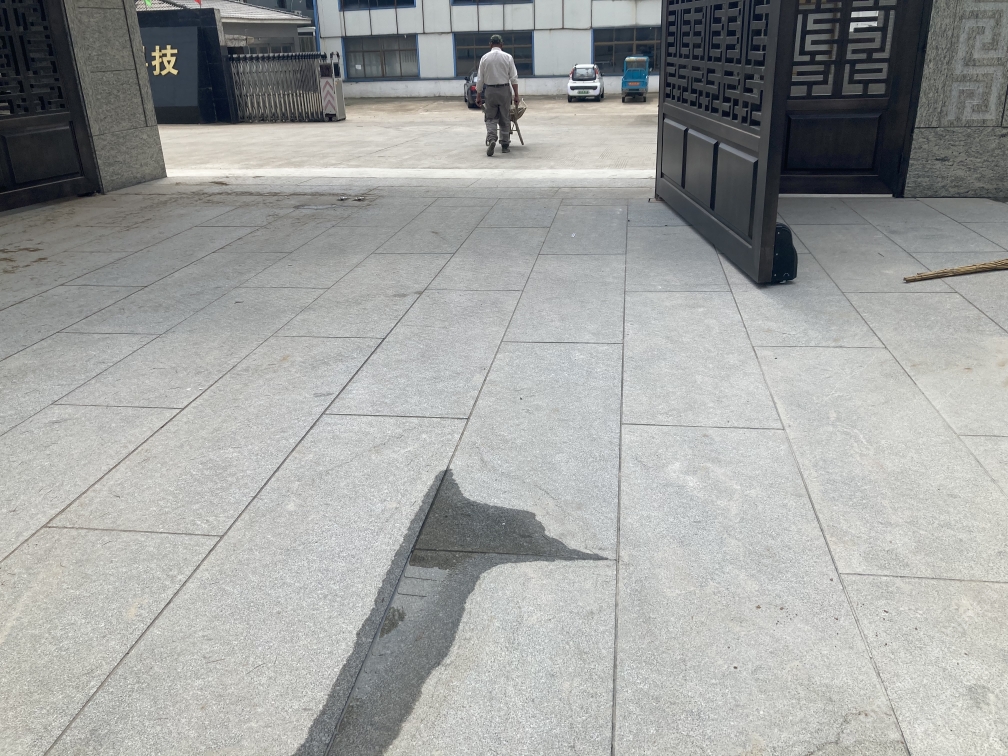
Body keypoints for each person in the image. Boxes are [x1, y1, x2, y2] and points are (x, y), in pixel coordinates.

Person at [475, 35, 519, 157]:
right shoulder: (508, 57)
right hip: (504, 90)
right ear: (501, 44)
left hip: (490, 90)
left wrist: (478, 95)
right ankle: (505, 145)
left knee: (490, 118)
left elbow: (480, 78)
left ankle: (492, 139)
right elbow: (514, 78)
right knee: (504, 118)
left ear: (490, 44)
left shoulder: (485, 58)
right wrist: (516, 95)